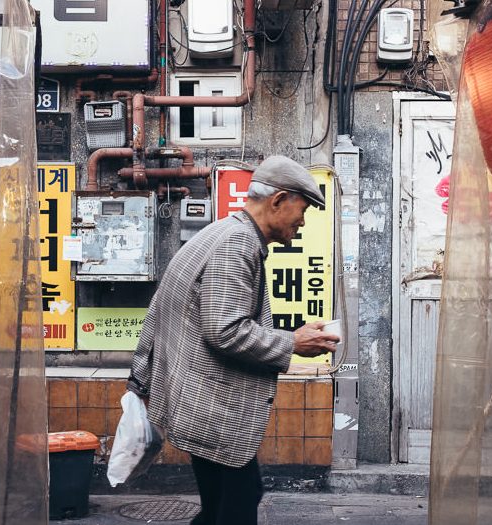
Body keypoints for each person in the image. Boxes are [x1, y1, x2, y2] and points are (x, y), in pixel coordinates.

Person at [127, 155, 340, 525]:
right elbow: (225, 331)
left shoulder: (221, 231)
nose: (302, 223)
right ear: (278, 200)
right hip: (212, 408)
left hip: (197, 403)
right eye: (301, 210)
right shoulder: (237, 244)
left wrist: (141, 380)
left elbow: (162, 309)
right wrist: (293, 343)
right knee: (238, 501)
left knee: (221, 505)